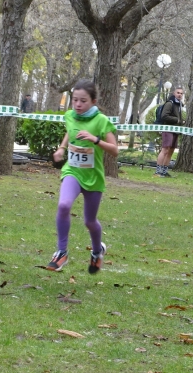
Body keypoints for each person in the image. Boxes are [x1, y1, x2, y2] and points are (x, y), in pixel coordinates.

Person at [47, 79, 118, 274]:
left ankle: (97, 251)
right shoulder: (70, 115)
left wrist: (96, 140)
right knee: (63, 205)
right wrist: (61, 148)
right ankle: (61, 252)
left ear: (93, 101)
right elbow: (70, 132)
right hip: (73, 171)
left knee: (89, 221)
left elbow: (115, 151)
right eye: (75, 100)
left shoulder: (101, 121)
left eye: (83, 101)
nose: (78, 105)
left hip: (93, 177)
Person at [154, 87, 184, 178]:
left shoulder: (180, 105)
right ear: (174, 93)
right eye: (178, 92)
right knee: (165, 149)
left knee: (171, 150)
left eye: (181, 93)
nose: (180, 95)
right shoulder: (169, 103)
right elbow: (164, 116)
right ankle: (158, 171)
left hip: (176, 130)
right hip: (168, 129)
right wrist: (177, 120)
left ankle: (164, 171)